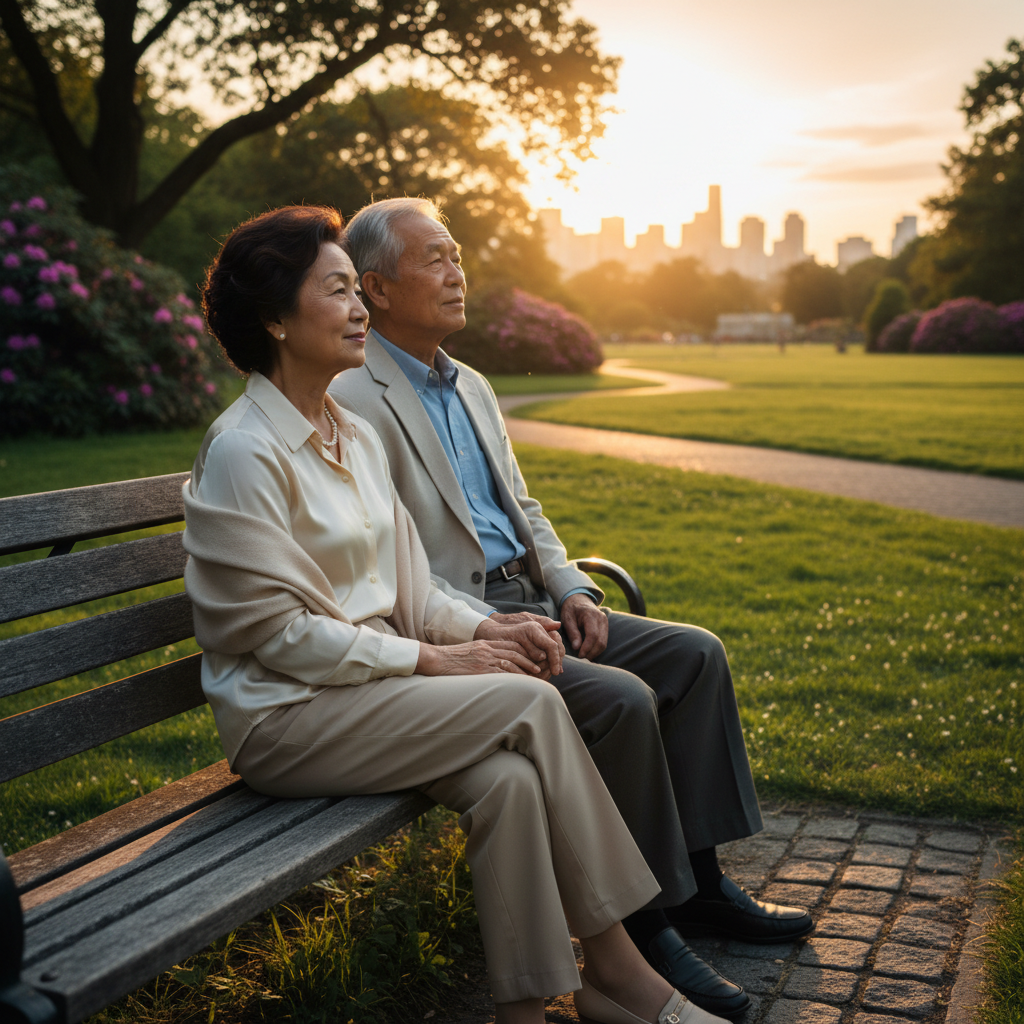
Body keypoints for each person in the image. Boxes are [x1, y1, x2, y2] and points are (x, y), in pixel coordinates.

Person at [183, 204, 729, 1024]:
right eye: (337, 291)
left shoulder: (347, 433)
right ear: (275, 320)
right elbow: (273, 636)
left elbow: (412, 587)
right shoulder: (244, 451)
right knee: (531, 700)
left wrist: (484, 628)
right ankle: (621, 965)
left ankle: (527, 1010)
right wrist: (433, 660)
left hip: (366, 694)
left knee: (508, 783)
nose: (360, 309)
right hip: (287, 716)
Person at [329, 198, 814, 1017]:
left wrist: (572, 586)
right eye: (435, 258)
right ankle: (643, 928)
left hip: (534, 600)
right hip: (460, 623)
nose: (457, 271)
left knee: (693, 654)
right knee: (621, 702)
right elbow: (388, 564)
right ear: (374, 288)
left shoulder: (472, 384)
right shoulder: (353, 396)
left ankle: (696, 881)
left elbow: (525, 507)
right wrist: (492, 624)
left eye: (457, 253)